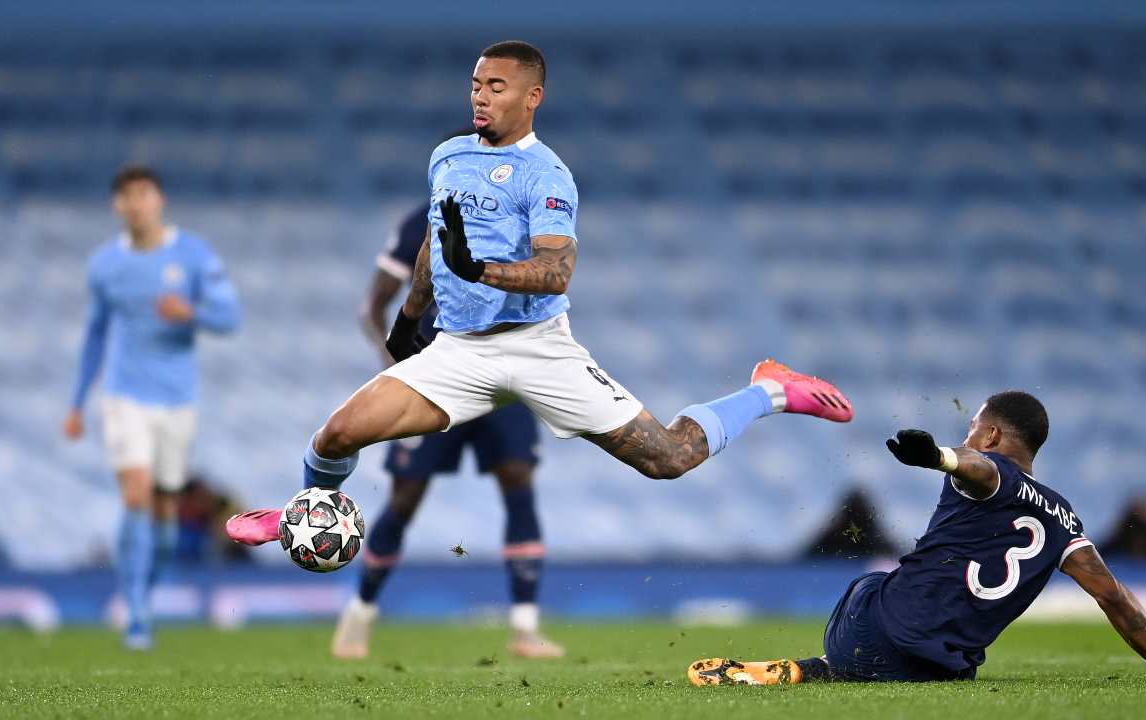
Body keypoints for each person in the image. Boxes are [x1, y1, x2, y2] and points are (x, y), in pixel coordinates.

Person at [226, 40, 850, 563]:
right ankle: (304, 508)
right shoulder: (448, 156)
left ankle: (770, 390)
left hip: (536, 349)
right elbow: (435, 245)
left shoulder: (547, 175)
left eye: (497, 86)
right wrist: (409, 317)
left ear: (532, 98)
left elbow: (556, 272)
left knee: (668, 458)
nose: (480, 95)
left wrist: (483, 271)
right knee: (336, 435)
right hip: (459, 353)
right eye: (475, 83)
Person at [689, 391, 1146, 684]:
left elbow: (979, 470)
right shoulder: (1063, 517)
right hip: (941, 671)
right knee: (922, 641)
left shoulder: (985, 468)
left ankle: (825, 667)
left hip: (873, 635)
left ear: (991, 435)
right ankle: (828, 671)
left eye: (974, 427)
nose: (970, 435)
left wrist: (939, 456)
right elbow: (1113, 597)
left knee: (872, 579)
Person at [330, 200, 563, 660]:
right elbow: (373, 306)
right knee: (406, 495)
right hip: (443, 372)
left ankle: (525, 628)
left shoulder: (527, 214)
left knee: (518, 480)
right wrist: (396, 364)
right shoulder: (423, 219)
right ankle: (360, 614)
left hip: (509, 371)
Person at [64, 166, 241, 649]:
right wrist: (78, 401)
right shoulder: (104, 265)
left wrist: (192, 313)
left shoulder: (192, 254)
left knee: (164, 521)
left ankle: (143, 592)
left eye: (143, 194)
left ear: (159, 199)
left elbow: (231, 315)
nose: (136, 203)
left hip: (177, 400)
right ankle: (137, 613)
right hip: (123, 395)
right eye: (126, 196)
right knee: (136, 494)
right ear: (116, 206)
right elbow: (96, 333)